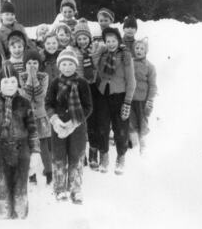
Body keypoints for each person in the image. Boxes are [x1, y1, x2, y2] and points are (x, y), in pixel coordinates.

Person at [0, 63, 40, 219]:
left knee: (20, 185)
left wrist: (35, 153)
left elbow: (33, 130)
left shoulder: (25, 103)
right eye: (5, 82)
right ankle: (2, 216)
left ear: (18, 83)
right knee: (1, 186)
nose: (9, 85)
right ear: (0, 84)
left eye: (13, 81)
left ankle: (20, 216)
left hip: (22, 151)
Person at [45, 49, 92, 204]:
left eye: (70, 64)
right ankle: (59, 189)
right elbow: (48, 103)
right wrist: (54, 119)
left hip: (77, 126)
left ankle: (75, 188)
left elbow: (88, 106)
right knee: (59, 157)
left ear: (76, 65)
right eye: (64, 64)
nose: (67, 67)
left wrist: (75, 122)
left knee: (76, 156)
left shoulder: (82, 83)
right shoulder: (54, 83)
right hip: (58, 126)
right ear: (59, 66)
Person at [94, 27, 136, 175]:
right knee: (103, 127)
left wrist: (128, 101)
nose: (111, 43)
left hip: (120, 96)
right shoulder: (103, 55)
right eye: (108, 41)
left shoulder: (125, 56)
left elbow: (131, 81)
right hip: (103, 95)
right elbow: (94, 68)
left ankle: (120, 156)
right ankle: (104, 156)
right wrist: (99, 51)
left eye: (113, 41)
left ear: (119, 41)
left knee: (120, 129)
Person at [68, 18, 101, 170]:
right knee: (81, 121)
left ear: (89, 38)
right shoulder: (71, 51)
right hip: (79, 88)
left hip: (93, 87)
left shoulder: (96, 49)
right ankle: (82, 154)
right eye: (79, 38)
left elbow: (108, 47)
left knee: (93, 120)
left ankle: (93, 150)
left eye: (85, 38)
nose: (82, 41)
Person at [19, 50, 52, 185]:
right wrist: (30, 78)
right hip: (26, 117)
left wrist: (34, 78)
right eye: (29, 63)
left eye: (35, 63)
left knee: (43, 145)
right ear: (24, 64)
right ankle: (31, 174)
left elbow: (39, 97)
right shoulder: (21, 77)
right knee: (28, 145)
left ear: (39, 64)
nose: (32, 66)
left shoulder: (44, 77)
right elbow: (26, 96)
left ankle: (49, 171)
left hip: (40, 115)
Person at [129, 38, 157, 154]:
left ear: (146, 51)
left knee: (143, 121)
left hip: (142, 99)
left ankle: (143, 142)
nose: (139, 50)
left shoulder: (150, 66)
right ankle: (134, 140)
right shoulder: (129, 63)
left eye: (142, 48)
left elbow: (153, 85)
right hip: (129, 98)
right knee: (131, 120)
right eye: (137, 48)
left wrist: (150, 99)